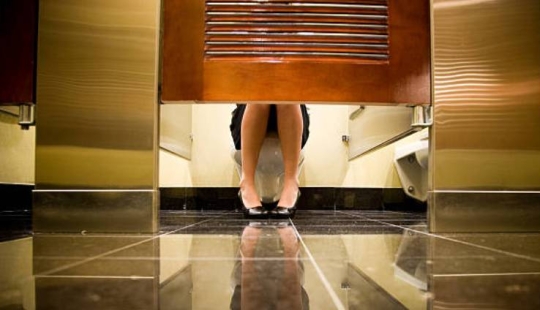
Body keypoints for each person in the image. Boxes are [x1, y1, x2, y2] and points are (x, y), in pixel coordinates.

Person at [230, 104, 309, 218]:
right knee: (261, 95)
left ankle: (291, 183)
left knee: (287, 95)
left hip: (293, 113)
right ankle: (246, 184)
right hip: (249, 111)